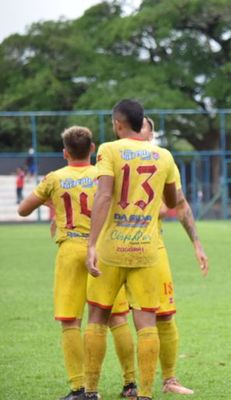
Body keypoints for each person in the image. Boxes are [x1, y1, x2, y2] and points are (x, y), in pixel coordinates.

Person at [17, 126, 134, 400]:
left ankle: (80, 389)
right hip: (104, 251)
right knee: (117, 318)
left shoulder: (54, 178)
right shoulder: (104, 175)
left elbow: (23, 210)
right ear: (92, 149)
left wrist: (55, 205)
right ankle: (131, 384)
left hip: (70, 250)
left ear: (64, 152)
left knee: (70, 321)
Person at [84, 100, 178, 400]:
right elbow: (173, 201)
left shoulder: (109, 150)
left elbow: (104, 195)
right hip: (147, 251)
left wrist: (91, 244)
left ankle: (90, 390)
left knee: (98, 316)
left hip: (112, 249)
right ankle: (146, 393)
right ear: (142, 124)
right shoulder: (163, 155)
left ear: (118, 124)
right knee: (147, 321)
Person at [140, 116, 209, 395]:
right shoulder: (112, 155)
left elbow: (178, 204)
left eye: (146, 126)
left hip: (152, 248)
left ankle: (169, 380)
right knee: (112, 317)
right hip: (114, 251)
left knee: (165, 315)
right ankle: (130, 382)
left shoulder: (162, 161)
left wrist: (197, 243)